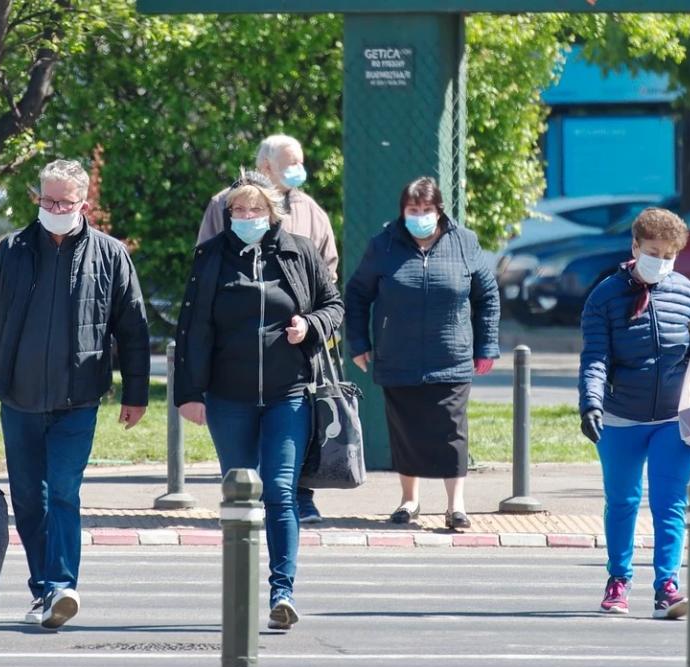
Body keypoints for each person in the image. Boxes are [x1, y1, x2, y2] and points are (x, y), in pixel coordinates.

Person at [0, 159, 150, 630]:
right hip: (19, 399)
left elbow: (134, 330)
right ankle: (43, 588)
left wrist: (137, 393)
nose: (54, 208)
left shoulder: (110, 255)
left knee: (64, 492)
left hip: (78, 400)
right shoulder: (13, 250)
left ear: (83, 203)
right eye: (47, 200)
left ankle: (63, 585)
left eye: (64, 202)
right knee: (29, 499)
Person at [175, 176, 343, 630]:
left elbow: (334, 305)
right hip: (228, 399)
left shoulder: (299, 251)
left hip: (289, 396)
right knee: (239, 492)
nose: (247, 219)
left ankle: (281, 591)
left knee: (281, 490)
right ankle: (241, 588)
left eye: (255, 211)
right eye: (238, 212)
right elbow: (189, 328)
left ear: (273, 213)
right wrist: (187, 394)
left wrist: (309, 325)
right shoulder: (210, 257)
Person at [578, 207, 690, 619]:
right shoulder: (605, 296)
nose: (660, 261)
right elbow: (594, 358)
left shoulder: (684, 290)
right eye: (652, 251)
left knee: (669, 502)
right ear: (635, 247)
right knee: (623, 500)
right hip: (621, 417)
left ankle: (667, 586)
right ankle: (618, 580)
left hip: (673, 418)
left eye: (669, 255)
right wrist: (590, 403)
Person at [198, 133, 338, 524]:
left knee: (294, 436)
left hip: (295, 348)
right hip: (234, 360)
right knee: (243, 459)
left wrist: (310, 321)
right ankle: (251, 504)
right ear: (264, 168)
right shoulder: (222, 206)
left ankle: (300, 495)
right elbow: (207, 262)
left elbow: (328, 272)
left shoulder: (310, 210)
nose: (298, 170)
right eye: (289, 163)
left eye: (300, 161)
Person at [345, 176, 499, 531]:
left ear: (439, 210)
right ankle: (409, 500)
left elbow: (487, 296)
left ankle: (455, 506)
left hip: (452, 356)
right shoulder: (383, 245)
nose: (420, 216)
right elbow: (356, 295)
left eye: (427, 210)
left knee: (451, 430)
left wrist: (486, 345)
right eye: (413, 210)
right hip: (397, 356)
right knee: (406, 429)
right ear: (402, 212)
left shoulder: (464, 242)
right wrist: (359, 343)